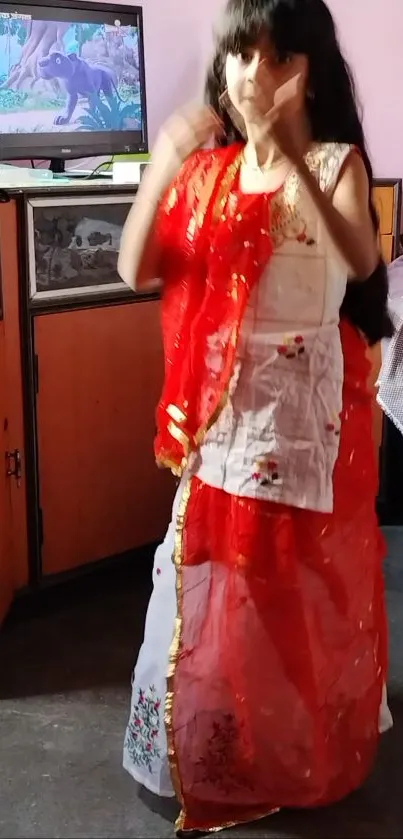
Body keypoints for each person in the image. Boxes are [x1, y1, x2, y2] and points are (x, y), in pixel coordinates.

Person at [118, 0, 394, 834]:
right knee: (212, 586)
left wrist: (297, 158)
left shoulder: (339, 163)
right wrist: (165, 158)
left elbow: (358, 258)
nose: (252, 76)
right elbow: (134, 269)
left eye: (274, 58)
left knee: (298, 593)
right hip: (219, 426)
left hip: (304, 424)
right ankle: (215, 742)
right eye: (240, 56)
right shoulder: (207, 174)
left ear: (306, 70)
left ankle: (297, 741)